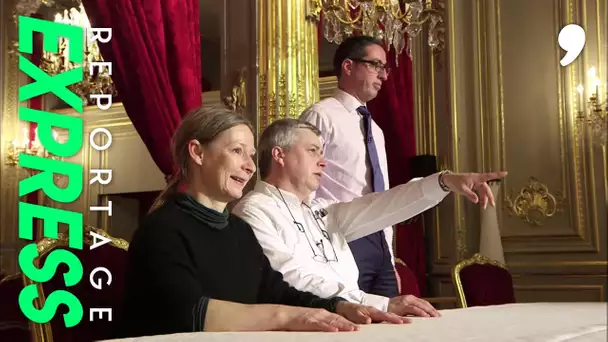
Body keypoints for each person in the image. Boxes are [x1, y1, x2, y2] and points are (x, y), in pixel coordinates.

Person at [119, 107, 404, 338]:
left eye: (252, 156)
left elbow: (277, 292)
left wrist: (340, 306)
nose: (251, 166)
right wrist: (288, 317)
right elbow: (189, 312)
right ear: (197, 152)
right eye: (237, 151)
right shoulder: (162, 229)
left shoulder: (238, 230)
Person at [232, 119, 506, 315]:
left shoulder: (323, 211)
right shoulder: (254, 210)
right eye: (313, 150)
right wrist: (379, 303)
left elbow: (385, 206)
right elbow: (290, 278)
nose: (323, 161)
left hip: (351, 320)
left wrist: (444, 182)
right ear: (279, 155)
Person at [299, 35, 400, 297]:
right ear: (348, 66)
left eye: (384, 68)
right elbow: (302, 185)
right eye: (375, 65)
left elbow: (382, 193)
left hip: (379, 246)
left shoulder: (376, 130)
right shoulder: (321, 116)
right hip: (342, 238)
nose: (383, 76)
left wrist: (388, 254)